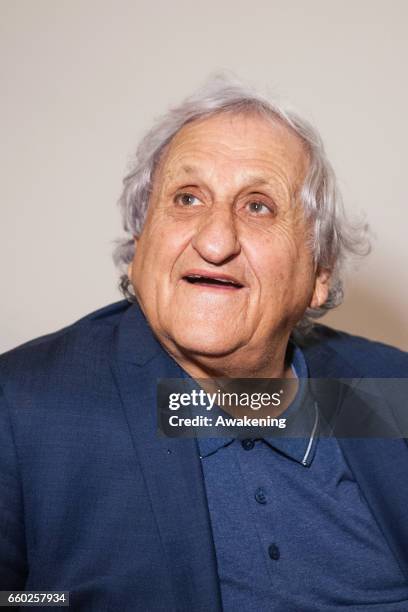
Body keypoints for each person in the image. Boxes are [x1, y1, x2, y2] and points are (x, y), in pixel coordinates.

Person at [1, 75, 407, 611]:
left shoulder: (386, 390)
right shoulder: (22, 407)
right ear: (140, 243)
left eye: (258, 206)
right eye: (187, 198)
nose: (215, 241)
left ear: (320, 275)